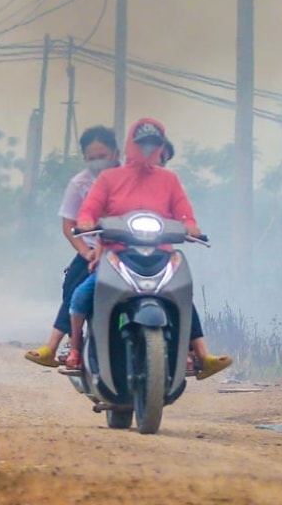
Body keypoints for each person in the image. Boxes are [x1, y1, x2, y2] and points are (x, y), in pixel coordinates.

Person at [60, 117, 231, 380]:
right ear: (131, 144)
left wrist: (191, 226)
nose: (148, 148)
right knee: (82, 294)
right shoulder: (109, 178)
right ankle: (74, 348)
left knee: (182, 294)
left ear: (161, 145)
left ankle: (200, 353)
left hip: (160, 253)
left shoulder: (169, 180)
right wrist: (85, 222)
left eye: (154, 143)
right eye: (143, 143)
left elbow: (184, 211)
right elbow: (89, 209)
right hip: (115, 253)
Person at [25, 126, 119, 368]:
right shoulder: (80, 184)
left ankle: (188, 350)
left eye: (103, 156)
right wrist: (85, 252)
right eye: (92, 158)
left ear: (116, 153)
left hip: (131, 248)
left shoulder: (129, 176)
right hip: (92, 249)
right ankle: (59, 345)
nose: (98, 162)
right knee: (73, 285)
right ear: (84, 158)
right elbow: (69, 226)